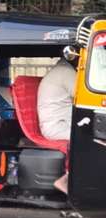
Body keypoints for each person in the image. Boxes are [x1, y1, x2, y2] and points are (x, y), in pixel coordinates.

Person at [37, 46, 79, 192]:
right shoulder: (66, 73)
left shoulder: (64, 70)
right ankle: (66, 179)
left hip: (60, 124)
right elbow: (85, 96)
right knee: (89, 140)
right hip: (57, 127)